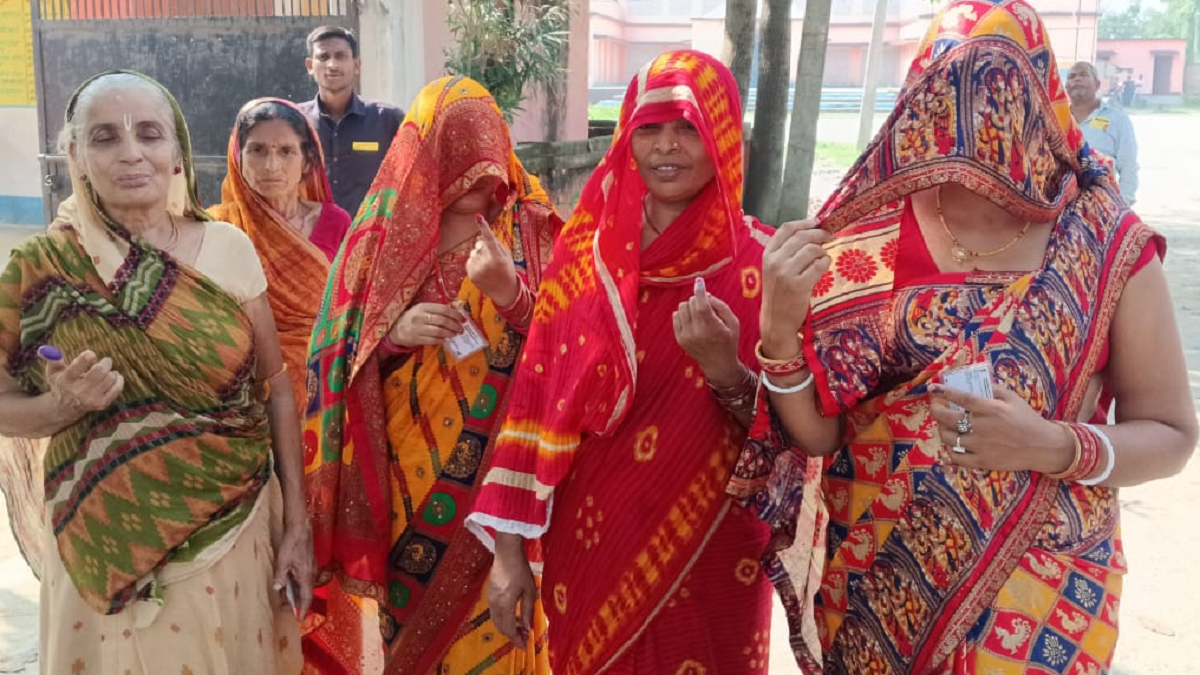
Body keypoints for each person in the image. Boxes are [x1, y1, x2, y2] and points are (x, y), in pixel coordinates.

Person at [732, 2, 1197, 674]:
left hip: (1042, 603)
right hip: (880, 597)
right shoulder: (870, 235)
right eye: (952, 84)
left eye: (999, 85)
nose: (976, 109)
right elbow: (824, 436)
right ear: (920, 93)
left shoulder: (1102, 241)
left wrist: (1052, 444)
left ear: (1041, 96)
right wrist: (778, 332)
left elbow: (1173, 432)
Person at [467, 50, 776, 675]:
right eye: (649, 128)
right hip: (590, 543)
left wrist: (728, 372)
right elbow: (533, 406)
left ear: (721, 133)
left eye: (687, 126)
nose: (667, 146)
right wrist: (507, 553)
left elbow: (803, 439)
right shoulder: (584, 261)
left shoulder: (764, 266)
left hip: (715, 549)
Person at [0, 70, 315, 675]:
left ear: (176, 155)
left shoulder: (228, 248)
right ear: (76, 155)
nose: (131, 153)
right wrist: (56, 410)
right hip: (99, 534)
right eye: (104, 138)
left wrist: (297, 525)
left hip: (232, 524)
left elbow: (275, 388)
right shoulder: (43, 268)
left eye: (149, 134)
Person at [302, 76, 563, 675]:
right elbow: (332, 357)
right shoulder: (381, 235)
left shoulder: (531, 227)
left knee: (497, 638)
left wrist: (511, 295)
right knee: (406, 632)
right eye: (458, 161)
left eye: (486, 163)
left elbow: (566, 345)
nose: (479, 182)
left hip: (501, 485)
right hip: (399, 483)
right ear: (426, 155)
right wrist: (395, 334)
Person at [209, 98, 352, 420]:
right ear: (238, 157)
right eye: (258, 150)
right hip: (246, 382)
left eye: (286, 151)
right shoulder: (217, 227)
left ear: (307, 161)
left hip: (327, 374)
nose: (271, 165)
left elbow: (354, 307)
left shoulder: (336, 222)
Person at [297, 26, 403, 220]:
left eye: (341, 56)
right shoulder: (295, 121)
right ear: (310, 66)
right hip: (311, 240)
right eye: (323, 57)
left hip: (370, 239)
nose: (332, 64)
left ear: (356, 65)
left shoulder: (388, 120)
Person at [1068, 61, 1139, 204]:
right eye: (1072, 76)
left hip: (1104, 204)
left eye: (1083, 74)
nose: (1077, 79)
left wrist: (1123, 204)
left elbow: (1128, 166)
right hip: (1062, 204)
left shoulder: (1117, 119)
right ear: (1066, 87)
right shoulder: (1057, 119)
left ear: (1097, 84)